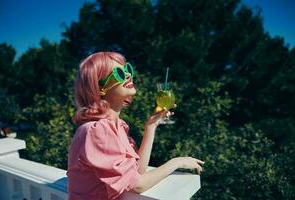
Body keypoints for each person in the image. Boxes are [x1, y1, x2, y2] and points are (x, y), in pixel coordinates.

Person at [67, 52, 204, 200]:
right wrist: (177, 161)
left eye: (128, 70)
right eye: (119, 73)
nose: (128, 75)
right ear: (100, 88)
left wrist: (150, 127)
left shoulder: (117, 126)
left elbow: (137, 171)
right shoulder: (96, 130)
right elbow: (137, 185)